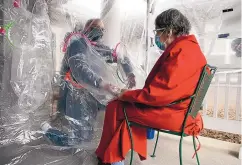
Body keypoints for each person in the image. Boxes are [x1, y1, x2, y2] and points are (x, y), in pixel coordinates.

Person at [96, 8, 206, 165]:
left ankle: (112, 160)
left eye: (158, 32)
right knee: (122, 107)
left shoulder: (180, 51)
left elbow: (159, 95)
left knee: (116, 107)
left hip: (174, 112)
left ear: (169, 31)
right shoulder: (192, 48)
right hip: (182, 108)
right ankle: (113, 156)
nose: (157, 37)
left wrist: (124, 93)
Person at [49, 18, 135, 146]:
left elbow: (122, 57)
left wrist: (130, 73)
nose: (100, 31)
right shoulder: (77, 44)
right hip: (75, 93)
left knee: (90, 130)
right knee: (76, 136)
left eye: (102, 29)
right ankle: (47, 131)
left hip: (92, 92)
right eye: (96, 27)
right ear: (87, 27)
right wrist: (103, 84)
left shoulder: (99, 48)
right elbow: (80, 69)